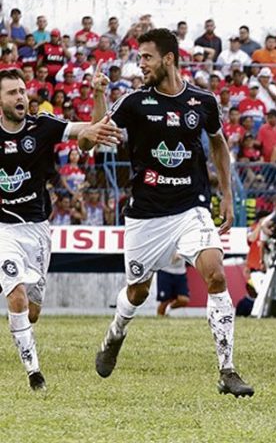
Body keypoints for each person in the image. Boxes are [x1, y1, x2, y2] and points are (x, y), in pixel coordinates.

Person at [88, 29, 253, 397]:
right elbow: (91, 139)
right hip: (146, 215)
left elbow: (219, 144)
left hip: (191, 207)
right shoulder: (134, 102)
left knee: (215, 275)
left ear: (168, 59)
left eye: (146, 57)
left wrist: (226, 195)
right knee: (138, 290)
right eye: (139, 58)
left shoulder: (202, 101)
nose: (140, 64)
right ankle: (115, 335)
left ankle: (227, 370)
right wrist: (98, 96)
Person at [0, 67, 120, 391]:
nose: (21, 97)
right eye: (12, 92)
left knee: (33, 311)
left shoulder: (43, 127)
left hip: (38, 230)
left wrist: (96, 93)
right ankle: (33, 372)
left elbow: (91, 131)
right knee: (16, 295)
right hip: (3, 230)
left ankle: (21, 330)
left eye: (23, 91)